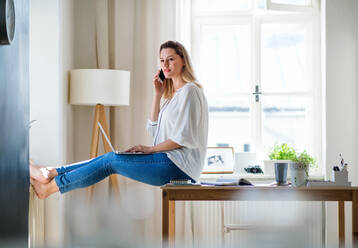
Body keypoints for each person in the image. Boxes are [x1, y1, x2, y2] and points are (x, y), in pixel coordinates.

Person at [30, 41, 209, 199]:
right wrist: (157, 95)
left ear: (183, 60)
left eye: (170, 59)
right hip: (169, 160)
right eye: (162, 61)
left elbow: (182, 138)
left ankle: (49, 187)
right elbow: (155, 131)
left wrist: (149, 149)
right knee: (109, 158)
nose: (165, 65)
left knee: (111, 161)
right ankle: (51, 172)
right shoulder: (172, 97)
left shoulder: (190, 91)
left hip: (179, 167)